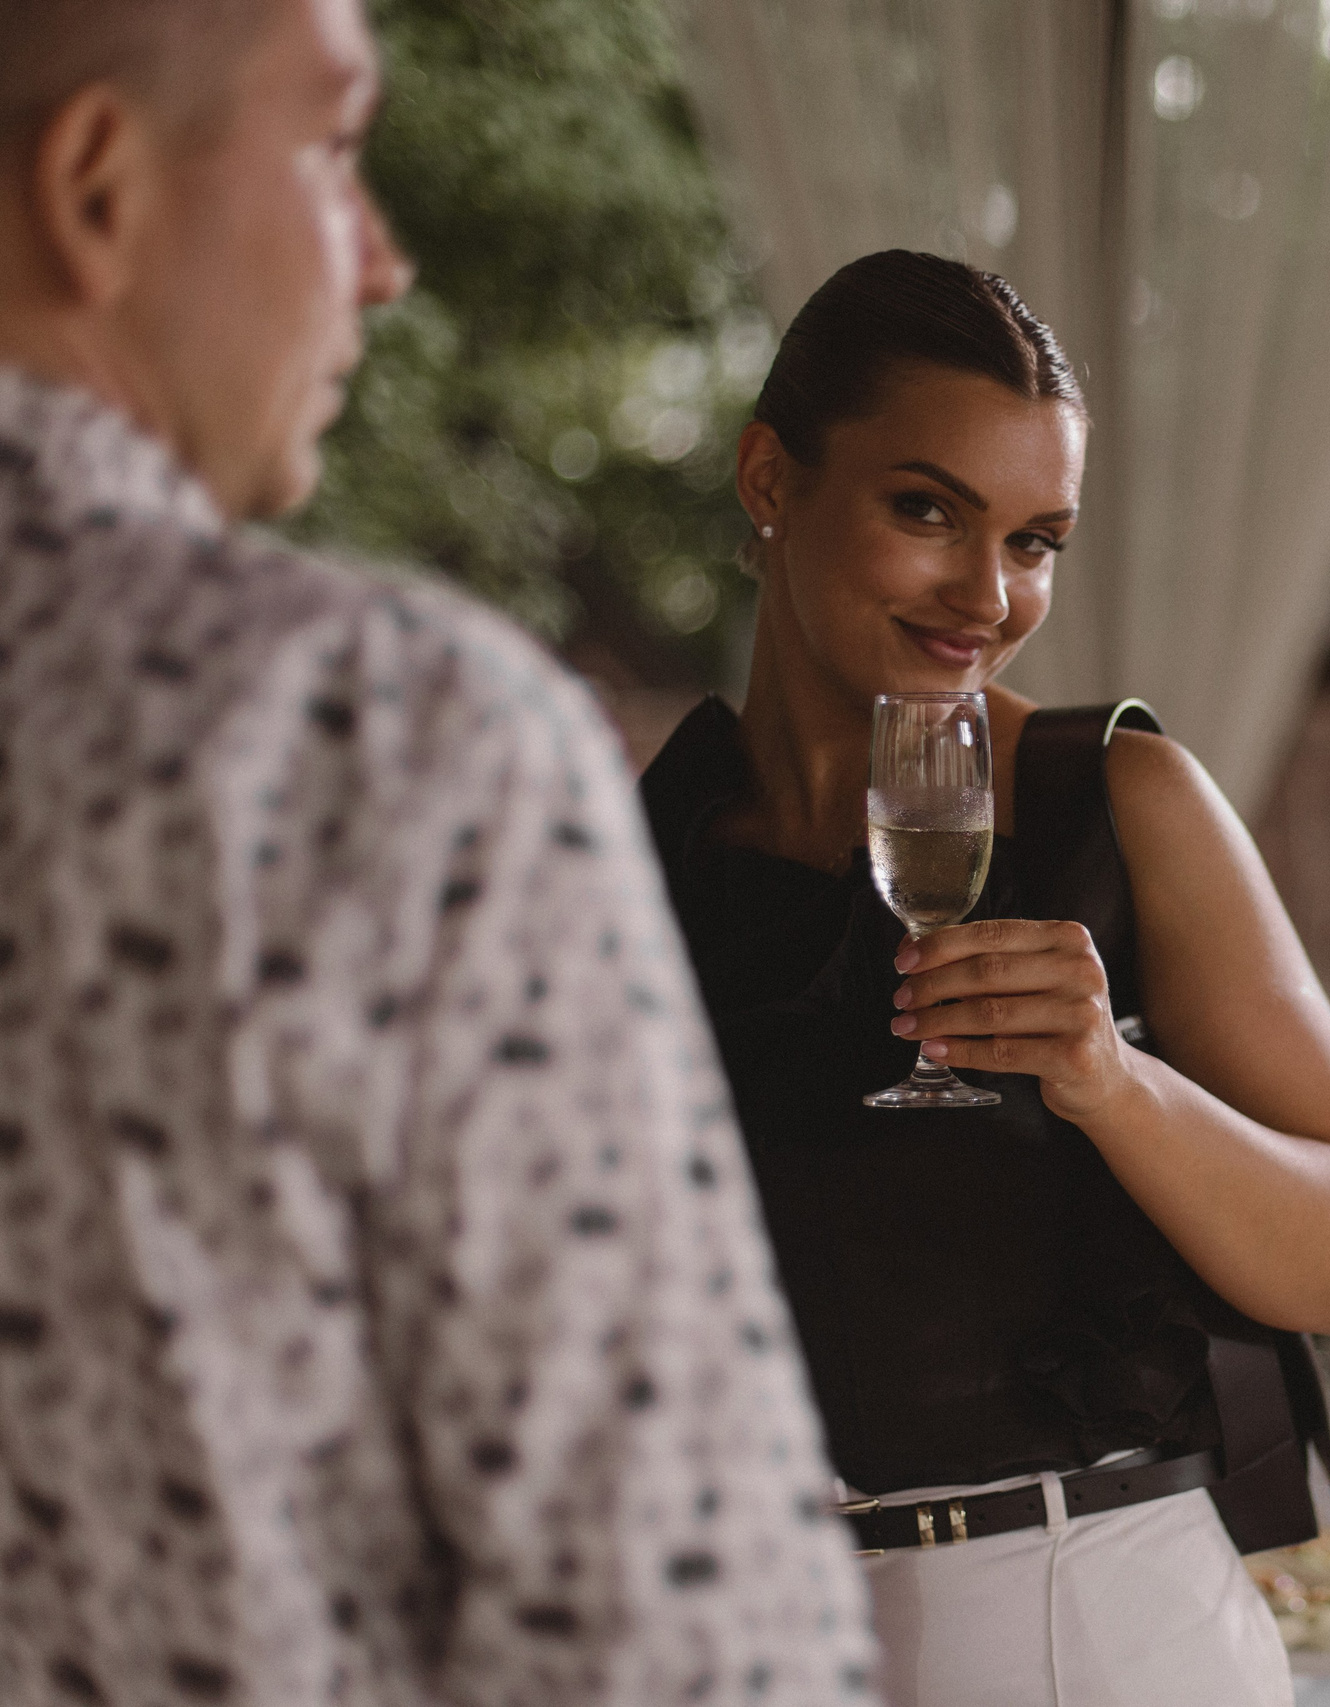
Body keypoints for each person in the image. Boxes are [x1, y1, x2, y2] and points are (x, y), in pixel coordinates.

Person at [0, 2, 874, 1701]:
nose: (382, 262)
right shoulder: (370, 736)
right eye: (333, 148)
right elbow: (687, 1646)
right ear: (96, 185)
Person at [638, 250, 1330, 1706]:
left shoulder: (1115, 802)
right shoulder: (649, 854)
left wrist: (1114, 1085)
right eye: (927, 511)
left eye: (1036, 540)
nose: (986, 595)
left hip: (1083, 1628)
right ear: (770, 478)